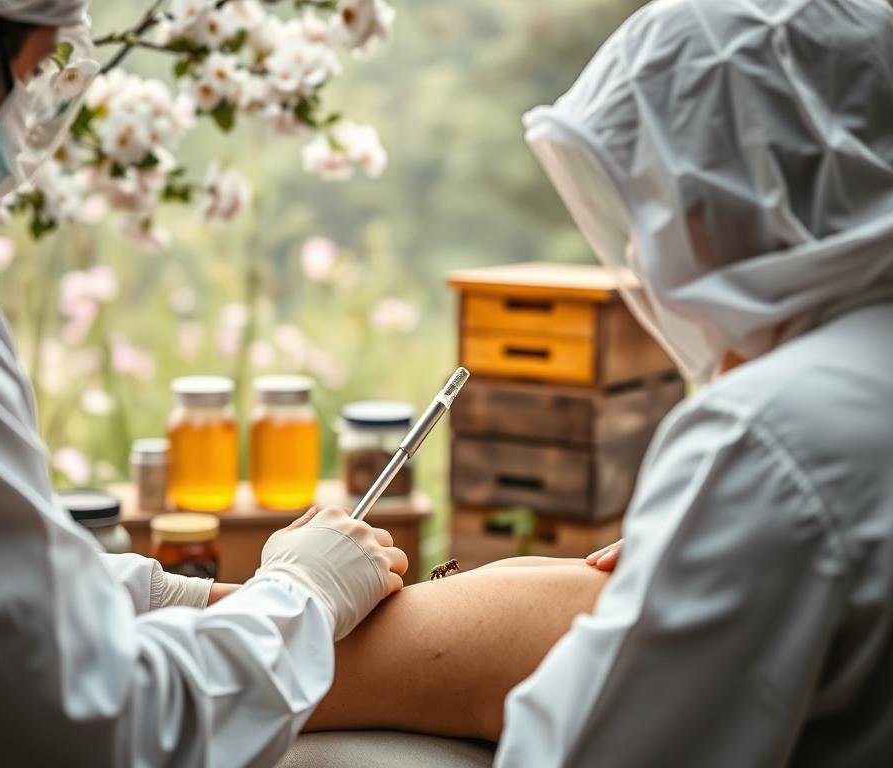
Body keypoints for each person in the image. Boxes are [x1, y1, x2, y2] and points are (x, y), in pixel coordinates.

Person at [297, 0, 893, 765]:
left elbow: (584, 745)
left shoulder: (772, 432)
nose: (646, 252)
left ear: (725, 199)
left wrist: (282, 605)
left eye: (657, 204)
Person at [0, 4, 408, 766]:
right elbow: (99, 727)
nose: (24, 121)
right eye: (31, 79)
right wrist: (297, 600)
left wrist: (169, 595)